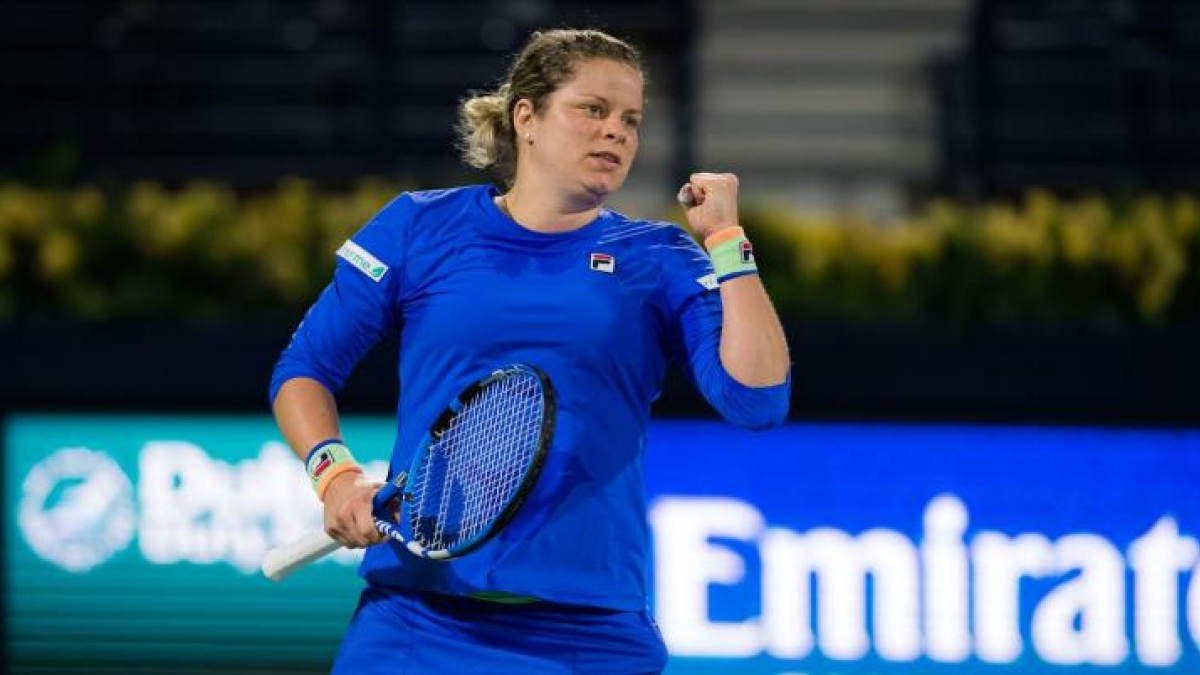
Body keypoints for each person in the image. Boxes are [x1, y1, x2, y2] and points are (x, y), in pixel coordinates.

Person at [269, 27, 791, 674]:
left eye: (631, 119)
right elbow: (305, 369)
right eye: (592, 109)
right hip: (414, 626)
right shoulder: (417, 227)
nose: (616, 131)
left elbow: (757, 401)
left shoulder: (661, 259)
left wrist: (728, 241)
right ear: (527, 118)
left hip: (589, 637)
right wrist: (336, 475)